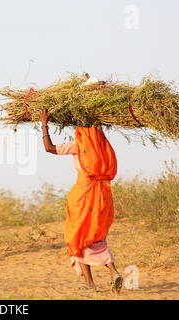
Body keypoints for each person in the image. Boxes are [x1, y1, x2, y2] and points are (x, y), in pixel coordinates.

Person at [40, 109, 123, 294]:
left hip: (83, 196)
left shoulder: (78, 144)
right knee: (97, 235)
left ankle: (91, 285)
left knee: (78, 238)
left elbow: (49, 148)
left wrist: (44, 123)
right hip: (103, 195)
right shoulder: (104, 145)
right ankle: (113, 272)